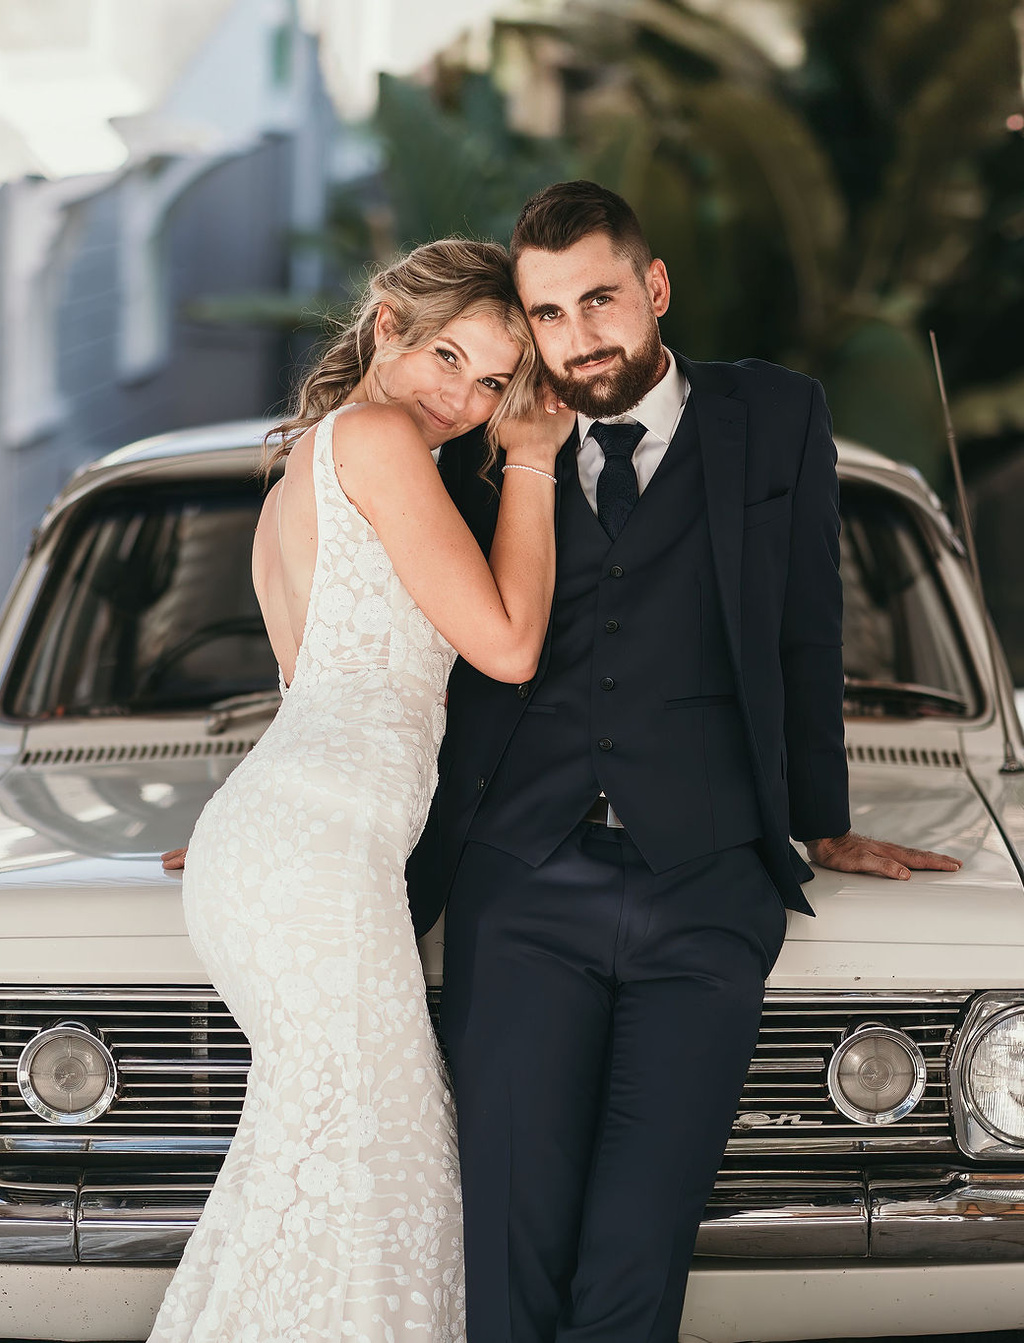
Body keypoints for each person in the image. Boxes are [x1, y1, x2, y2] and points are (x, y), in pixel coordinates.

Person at [406, 181, 962, 1343]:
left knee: (636, 1255)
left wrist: (820, 817)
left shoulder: (777, 417)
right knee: (507, 1247)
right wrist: (292, 796)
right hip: (522, 886)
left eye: (597, 300)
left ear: (653, 288)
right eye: (546, 314)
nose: (575, 338)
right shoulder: (487, 441)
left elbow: (810, 627)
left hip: (706, 886)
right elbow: (398, 638)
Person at [149, 237, 572, 1342]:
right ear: (385, 324)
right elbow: (510, 644)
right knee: (385, 1164)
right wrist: (531, 457)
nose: (464, 400)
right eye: (447, 357)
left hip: (286, 838)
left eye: (493, 385)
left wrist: (269, 834)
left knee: (325, 1162)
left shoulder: (306, 467)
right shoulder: (380, 438)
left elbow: (324, 695)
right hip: (310, 850)